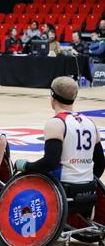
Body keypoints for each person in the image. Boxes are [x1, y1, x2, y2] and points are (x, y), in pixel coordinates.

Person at [15, 77, 104, 206]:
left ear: (52, 96)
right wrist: (84, 178)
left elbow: (50, 163)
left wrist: (26, 166)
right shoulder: (90, 123)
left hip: (63, 188)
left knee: (24, 188)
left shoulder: (56, 123)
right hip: (89, 189)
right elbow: (101, 164)